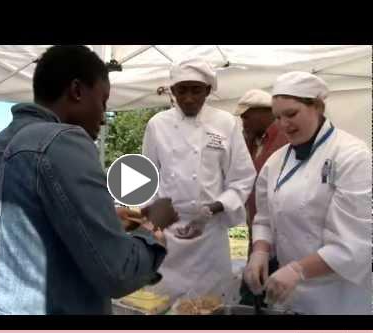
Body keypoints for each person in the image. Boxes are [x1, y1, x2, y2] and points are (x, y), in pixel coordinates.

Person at [0, 45, 178, 315]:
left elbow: (27, 234)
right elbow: (118, 272)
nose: (104, 119)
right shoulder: (62, 141)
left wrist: (104, 218)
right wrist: (154, 226)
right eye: (103, 101)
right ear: (77, 91)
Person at [243, 71, 372, 314]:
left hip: (337, 294)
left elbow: (355, 243)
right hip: (290, 292)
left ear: (318, 106)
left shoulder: (353, 156)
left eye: (291, 114)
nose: (283, 125)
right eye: (277, 117)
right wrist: (260, 250)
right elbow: (264, 216)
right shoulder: (276, 161)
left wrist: (298, 270)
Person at [141, 58, 256, 301]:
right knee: (164, 302)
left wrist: (210, 210)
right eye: (182, 90)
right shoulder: (157, 125)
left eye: (196, 90)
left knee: (210, 303)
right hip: (168, 232)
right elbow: (147, 178)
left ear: (208, 91)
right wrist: (154, 222)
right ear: (172, 92)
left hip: (210, 233)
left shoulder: (225, 123)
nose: (189, 98)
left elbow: (242, 177)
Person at [233, 89, 288, 306]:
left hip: (277, 235)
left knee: (264, 294)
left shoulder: (284, 139)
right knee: (253, 290)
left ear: (265, 113)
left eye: (246, 116)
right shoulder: (254, 141)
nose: (242, 121)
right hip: (255, 231)